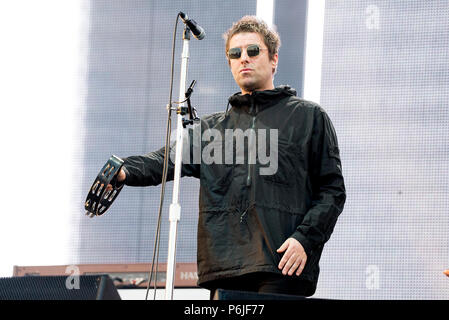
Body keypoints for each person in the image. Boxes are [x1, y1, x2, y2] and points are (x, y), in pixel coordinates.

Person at [114, 16, 346, 298]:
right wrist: (123, 170)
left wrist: (304, 240)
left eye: (253, 51)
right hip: (225, 267)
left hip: (282, 265)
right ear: (229, 64)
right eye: (235, 54)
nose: (243, 59)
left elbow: (332, 191)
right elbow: (164, 161)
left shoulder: (309, 117)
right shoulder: (210, 130)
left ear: (274, 59)